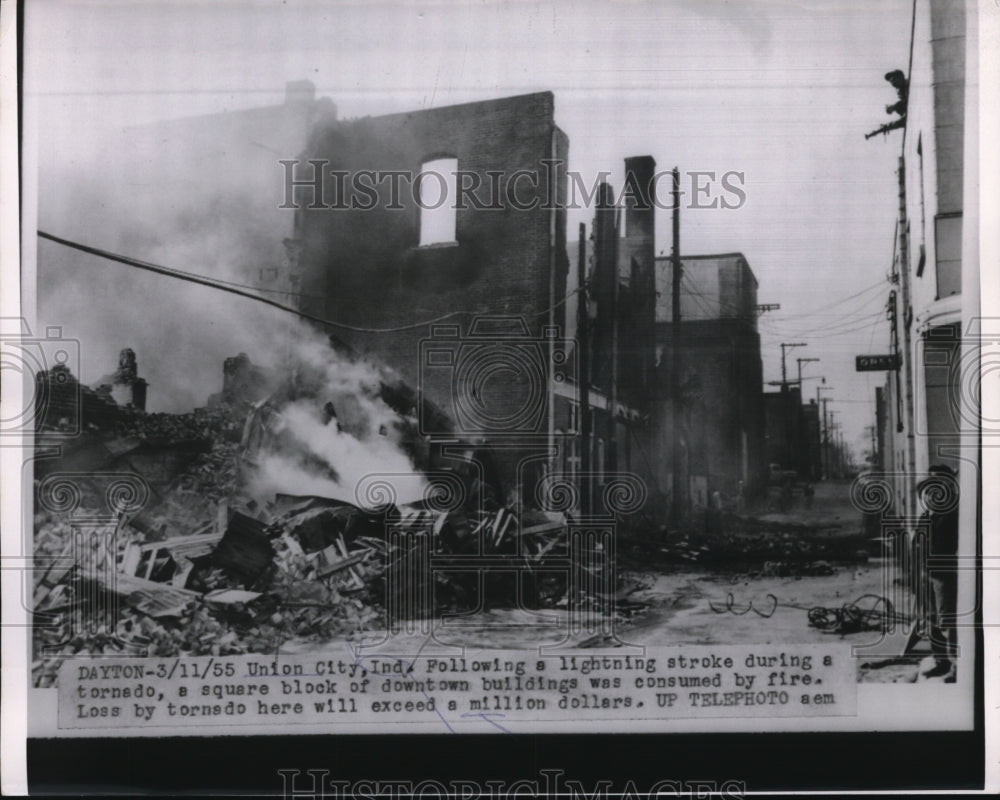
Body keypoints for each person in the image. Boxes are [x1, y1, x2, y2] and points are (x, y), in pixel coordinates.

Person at [916, 464, 959, 681]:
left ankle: (956, 667)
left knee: (947, 621)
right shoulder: (927, 515)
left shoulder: (954, 515)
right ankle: (941, 661)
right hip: (926, 575)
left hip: (945, 575)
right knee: (930, 620)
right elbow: (917, 544)